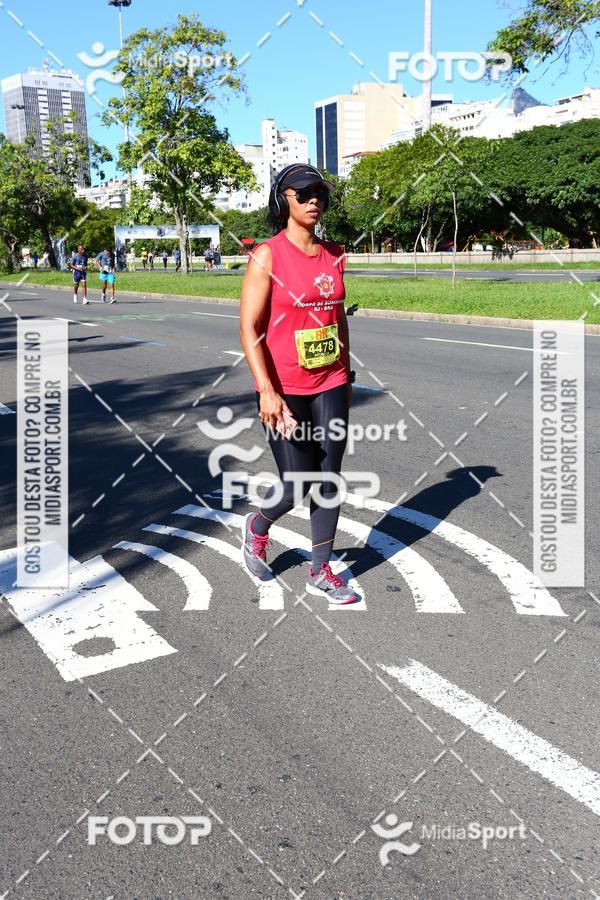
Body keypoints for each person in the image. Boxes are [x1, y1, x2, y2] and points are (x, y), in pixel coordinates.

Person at [239, 164, 357, 605]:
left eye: (321, 193)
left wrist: (347, 374)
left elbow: (337, 318)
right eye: (304, 192)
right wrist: (265, 389)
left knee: (329, 478)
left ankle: (320, 569)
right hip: (284, 386)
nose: (314, 200)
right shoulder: (267, 254)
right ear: (283, 198)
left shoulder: (335, 253)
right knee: (298, 479)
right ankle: (258, 525)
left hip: (330, 380)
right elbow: (249, 327)